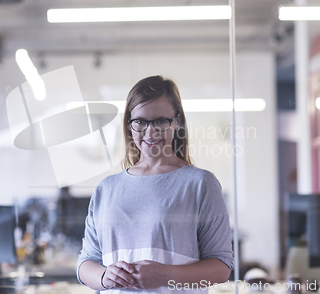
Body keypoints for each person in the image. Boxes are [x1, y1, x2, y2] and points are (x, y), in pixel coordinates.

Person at [77, 75, 234, 293]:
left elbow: (221, 266)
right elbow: (86, 262)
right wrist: (104, 276)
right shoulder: (107, 188)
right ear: (130, 124)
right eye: (140, 121)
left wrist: (167, 275)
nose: (150, 132)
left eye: (160, 120)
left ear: (177, 121)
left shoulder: (200, 184)